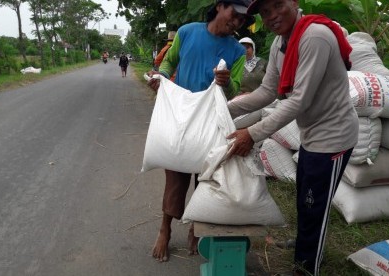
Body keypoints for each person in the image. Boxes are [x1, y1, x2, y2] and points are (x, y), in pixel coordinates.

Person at [226, 0, 359, 275]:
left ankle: (308, 267)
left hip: (333, 137)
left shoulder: (315, 37)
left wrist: (252, 133)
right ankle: (304, 245)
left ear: (294, 3)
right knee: (305, 198)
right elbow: (267, 92)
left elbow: (299, 100)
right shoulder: (279, 44)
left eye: (277, 5)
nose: (272, 16)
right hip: (311, 134)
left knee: (316, 205)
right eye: (265, 12)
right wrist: (225, 108)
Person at [146, 0, 255, 263]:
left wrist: (226, 82)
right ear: (220, 6)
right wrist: (160, 79)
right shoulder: (187, 32)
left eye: (243, 20)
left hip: (211, 121)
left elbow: (233, 90)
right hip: (181, 117)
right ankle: (165, 229)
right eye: (235, 14)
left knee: (206, 178)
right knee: (175, 176)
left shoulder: (236, 51)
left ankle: (196, 226)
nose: (237, 22)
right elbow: (169, 63)